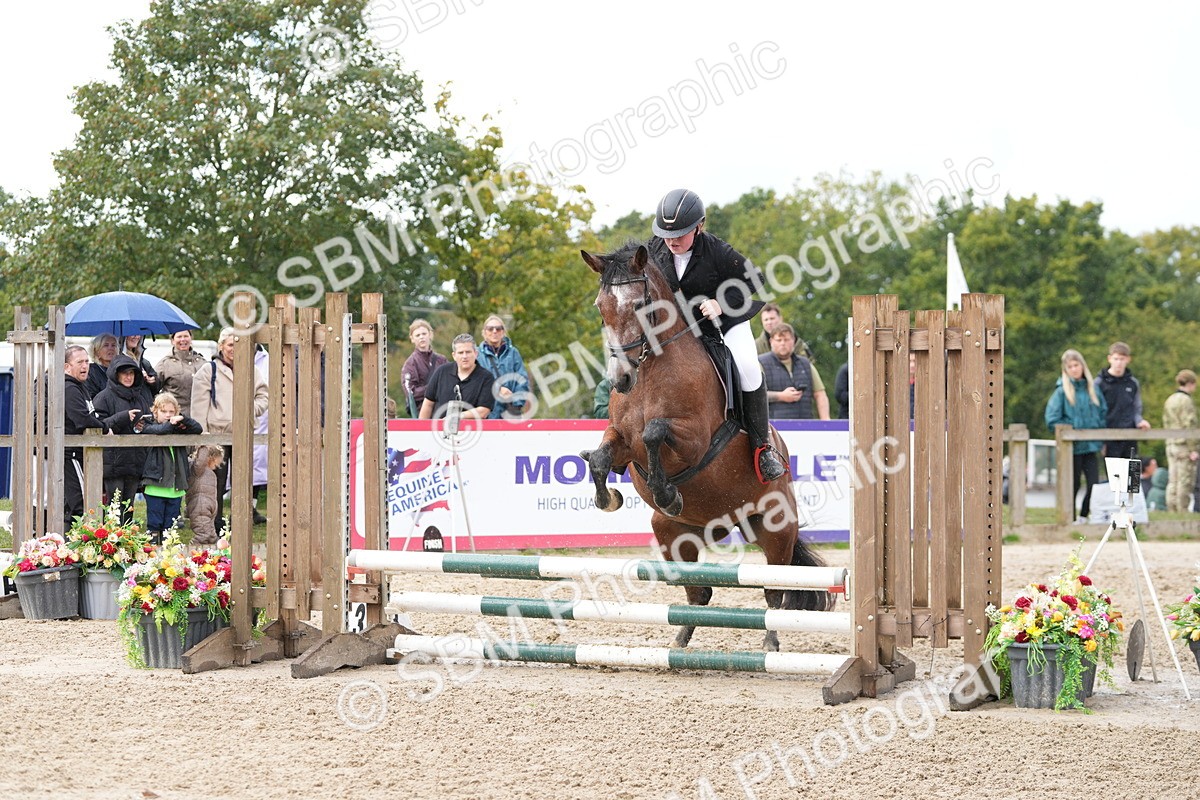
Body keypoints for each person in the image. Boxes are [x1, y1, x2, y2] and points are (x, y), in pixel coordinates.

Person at [647, 188, 786, 481]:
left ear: (699, 227)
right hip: (682, 330)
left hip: (726, 324)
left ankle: (763, 448)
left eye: (681, 234)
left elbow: (755, 279)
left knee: (748, 369)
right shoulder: (656, 249)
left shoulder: (716, 250)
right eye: (667, 234)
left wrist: (719, 304)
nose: (672, 240)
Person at [190, 328, 270, 537]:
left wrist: (249, 409)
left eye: (237, 344)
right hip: (217, 436)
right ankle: (214, 526)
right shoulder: (209, 370)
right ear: (221, 346)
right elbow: (198, 406)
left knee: (243, 482)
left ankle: (241, 526)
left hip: (243, 434)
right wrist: (202, 437)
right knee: (214, 484)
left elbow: (264, 396)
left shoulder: (251, 369)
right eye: (230, 344)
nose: (234, 349)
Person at [62, 345, 137, 528]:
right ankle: (81, 547)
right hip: (72, 454)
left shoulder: (81, 388)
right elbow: (82, 419)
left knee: (77, 505)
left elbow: (92, 416)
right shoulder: (69, 388)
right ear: (66, 367)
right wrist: (105, 427)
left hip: (83, 453)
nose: (85, 366)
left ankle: (70, 546)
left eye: (87, 361)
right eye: (79, 362)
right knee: (83, 503)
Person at [1044, 349, 1108, 523]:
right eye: (1070, 366)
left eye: (1076, 365)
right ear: (1065, 370)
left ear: (1082, 366)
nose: (1074, 369)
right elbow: (1052, 418)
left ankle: (1084, 515)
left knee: (1094, 485)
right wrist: (1070, 429)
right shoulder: (1061, 393)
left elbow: (1102, 414)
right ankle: (1069, 518)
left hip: (1091, 446)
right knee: (1073, 485)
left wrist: (1100, 437)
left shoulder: (1093, 390)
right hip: (1071, 448)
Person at [92, 354, 156, 525]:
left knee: (129, 506)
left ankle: (127, 541)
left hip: (135, 461)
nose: (128, 377)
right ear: (115, 374)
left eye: (131, 373)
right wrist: (122, 417)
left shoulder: (140, 397)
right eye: (124, 373)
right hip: (113, 462)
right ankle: (109, 541)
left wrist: (145, 424)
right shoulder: (103, 397)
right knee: (114, 505)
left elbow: (148, 422)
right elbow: (97, 426)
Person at [138, 392, 201, 544]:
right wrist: (173, 423)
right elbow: (161, 431)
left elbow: (197, 428)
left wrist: (183, 419)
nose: (167, 415)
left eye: (171, 412)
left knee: (170, 524)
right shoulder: (148, 425)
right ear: (155, 412)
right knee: (155, 522)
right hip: (155, 484)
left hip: (175, 485)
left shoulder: (178, 427)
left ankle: (168, 554)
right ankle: (152, 552)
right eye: (163, 411)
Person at [758, 323, 830, 420]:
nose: (783, 343)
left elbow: (820, 394)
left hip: (806, 427)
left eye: (786, 340)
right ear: (771, 342)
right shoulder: (760, 363)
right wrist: (780, 396)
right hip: (773, 428)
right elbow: (755, 396)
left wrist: (826, 421)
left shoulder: (806, 364)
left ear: (794, 341)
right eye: (779, 340)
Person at [1094, 342, 1151, 460]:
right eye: (1116, 359)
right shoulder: (1099, 383)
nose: (1119, 362)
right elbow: (1095, 411)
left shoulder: (1133, 383)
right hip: (1109, 437)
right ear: (1109, 359)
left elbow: (1136, 408)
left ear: (1128, 360)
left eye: (1122, 359)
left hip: (1130, 436)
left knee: (1133, 475)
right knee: (1115, 477)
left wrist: (1140, 421)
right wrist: (1101, 439)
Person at [420, 333, 496, 421]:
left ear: (476, 354)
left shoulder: (487, 377)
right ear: (454, 355)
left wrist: (457, 416)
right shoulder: (441, 372)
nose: (464, 356)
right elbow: (428, 403)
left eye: (468, 352)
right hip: (439, 431)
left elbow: (483, 411)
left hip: (473, 432)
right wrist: (421, 428)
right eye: (460, 353)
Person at [476, 315, 530, 419]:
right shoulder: (476, 354)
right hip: (485, 414)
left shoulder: (513, 353)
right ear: (484, 332)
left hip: (509, 413)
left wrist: (516, 402)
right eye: (490, 329)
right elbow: (473, 382)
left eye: (498, 328)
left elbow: (522, 380)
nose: (494, 331)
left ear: (503, 331)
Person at [1163, 369, 1199, 512]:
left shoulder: (1170, 399)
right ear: (1190, 383)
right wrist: (1193, 448)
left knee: (1173, 480)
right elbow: (1189, 424)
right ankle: (1182, 510)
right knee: (1185, 480)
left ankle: (1171, 509)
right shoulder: (1186, 401)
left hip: (1171, 443)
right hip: (1183, 445)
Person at [401, 319, 448, 418]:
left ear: (430, 335)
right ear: (412, 339)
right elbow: (411, 393)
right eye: (417, 335)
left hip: (444, 412)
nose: (421, 337)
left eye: (424, 333)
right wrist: (433, 388)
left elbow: (451, 382)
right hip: (423, 414)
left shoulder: (442, 360)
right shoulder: (410, 364)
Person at [155, 329, 207, 417]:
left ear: (191, 338)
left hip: (200, 417)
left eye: (186, 336)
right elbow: (153, 390)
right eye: (179, 337)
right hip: (175, 418)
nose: (183, 340)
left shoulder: (202, 363)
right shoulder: (164, 364)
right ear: (172, 341)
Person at [186, 445, 225, 546]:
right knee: (203, 534)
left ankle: (214, 556)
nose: (217, 466)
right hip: (200, 507)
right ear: (210, 457)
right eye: (216, 463)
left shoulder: (209, 472)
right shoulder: (199, 469)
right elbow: (201, 459)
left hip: (208, 508)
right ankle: (190, 551)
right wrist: (205, 445)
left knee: (212, 536)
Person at [85, 333, 119, 399]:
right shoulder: (91, 371)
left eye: (113, 345)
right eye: (106, 345)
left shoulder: (119, 370)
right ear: (96, 351)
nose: (111, 348)